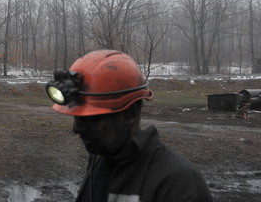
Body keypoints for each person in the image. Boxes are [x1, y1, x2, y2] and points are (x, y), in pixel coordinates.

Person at [46, 50, 213, 202]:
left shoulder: (179, 183)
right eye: (77, 116)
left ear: (130, 114)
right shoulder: (100, 159)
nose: (76, 129)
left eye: (92, 119)